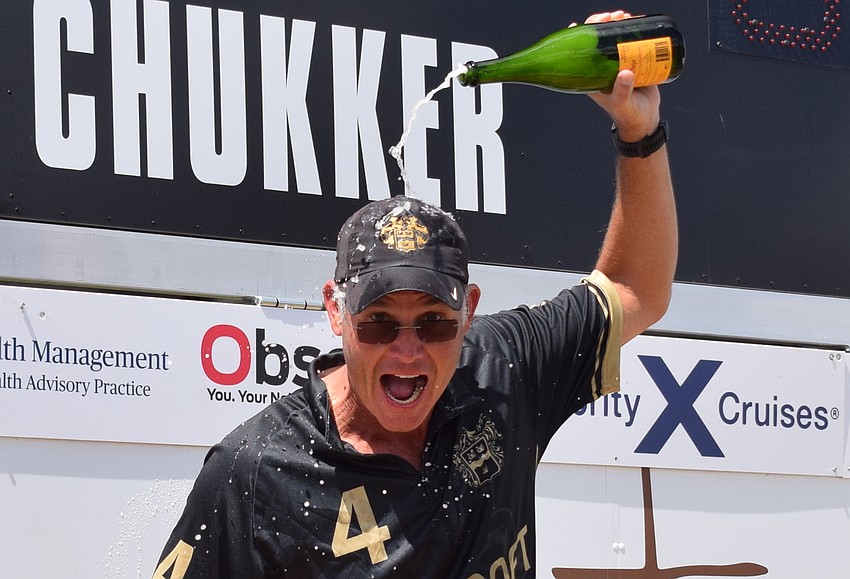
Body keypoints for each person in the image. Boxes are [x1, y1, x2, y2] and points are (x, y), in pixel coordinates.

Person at [152, 10, 677, 578]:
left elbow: (635, 289)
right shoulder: (253, 474)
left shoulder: (503, 372)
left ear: (468, 311)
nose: (407, 350)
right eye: (379, 322)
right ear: (336, 309)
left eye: (433, 322)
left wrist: (639, 129)